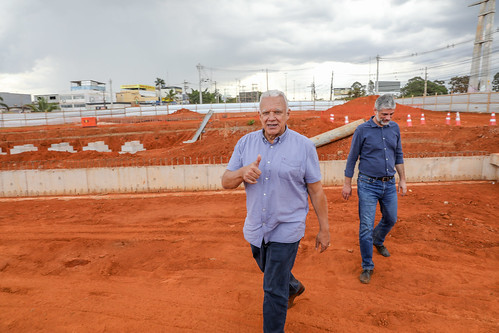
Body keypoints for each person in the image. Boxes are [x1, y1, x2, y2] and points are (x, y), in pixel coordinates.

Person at [222, 90, 330, 332]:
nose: (272, 117)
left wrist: (324, 229)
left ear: (288, 114)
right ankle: (293, 286)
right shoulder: (245, 144)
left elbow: (316, 191)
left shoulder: (304, 146)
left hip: (287, 227)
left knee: (272, 288)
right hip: (256, 228)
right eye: (266, 112)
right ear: (259, 116)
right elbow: (226, 181)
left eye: (277, 112)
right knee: (271, 271)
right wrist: (241, 173)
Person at [341, 94, 407, 284]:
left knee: (391, 218)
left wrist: (402, 179)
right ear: (375, 111)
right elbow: (352, 158)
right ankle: (367, 266)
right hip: (367, 184)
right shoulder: (362, 130)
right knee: (365, 227)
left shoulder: (394, 128)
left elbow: (399, 154)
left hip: (389, 184)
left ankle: (378, 240)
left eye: (391, 114)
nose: (388, 118)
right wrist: (347, 183)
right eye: (384, 114)